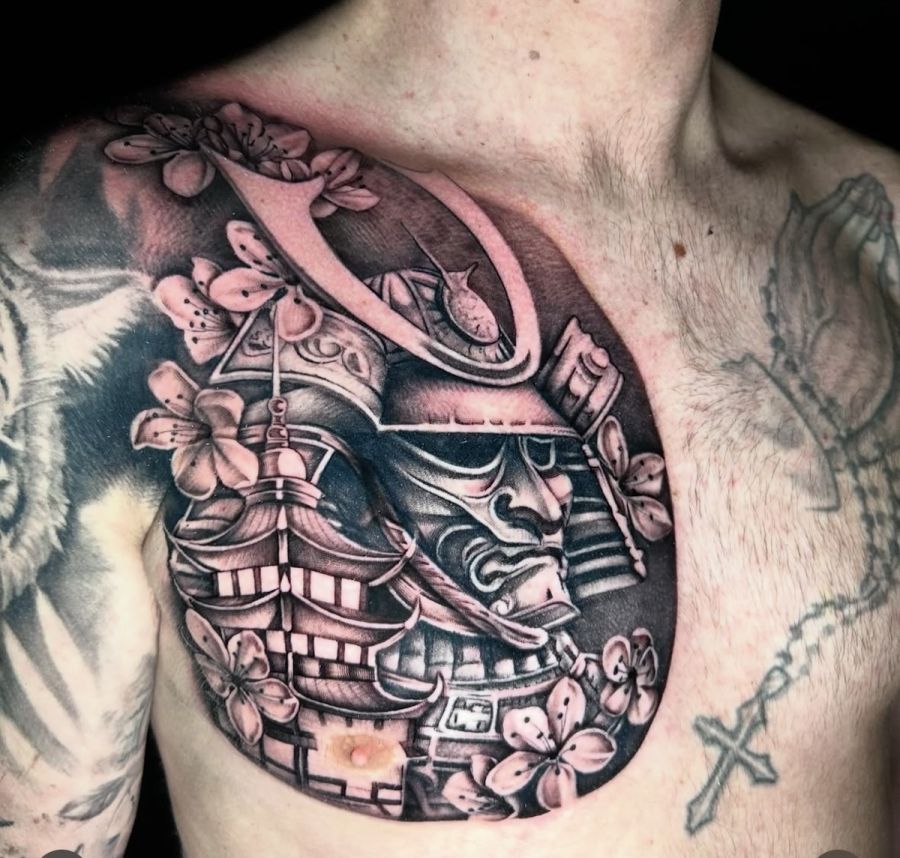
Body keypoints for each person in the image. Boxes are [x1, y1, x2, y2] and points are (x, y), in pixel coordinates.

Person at [0, 2, 897, 856]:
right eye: (475, 454)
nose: (544, 500)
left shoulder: (875, 223)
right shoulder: (103, 234)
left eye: (549, 461)